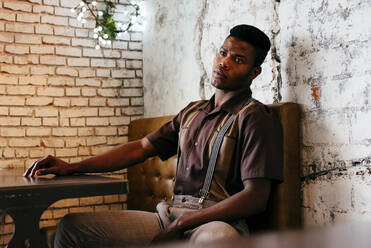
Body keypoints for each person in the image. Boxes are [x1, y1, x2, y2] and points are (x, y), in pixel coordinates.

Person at [24, 24, 283, 247]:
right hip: (168, 217)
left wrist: (183, 223)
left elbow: (256, 198)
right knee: (72, 227)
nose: (224, 62)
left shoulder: (254, 116)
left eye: (238, 60)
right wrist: (71, 167)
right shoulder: (192, 111)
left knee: (217, 239)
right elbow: (140, 148)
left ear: (254, 73)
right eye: (223, 53)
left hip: (215, 223)